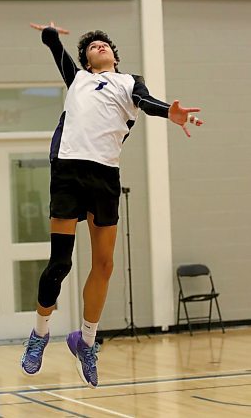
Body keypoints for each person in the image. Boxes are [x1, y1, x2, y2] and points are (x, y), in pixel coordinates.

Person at [21, 21, 203, 388]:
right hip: (69, 170)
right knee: (61, 262)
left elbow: (148, 104)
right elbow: (53, 48)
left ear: (115, 56)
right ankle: (40, 333)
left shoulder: (129, 82)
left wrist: (172, 112)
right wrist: (51, 35)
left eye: (105, 44)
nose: (100, 45)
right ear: (86, 60)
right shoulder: (78, 80)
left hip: (105, 175)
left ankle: (85, 341)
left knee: (104, 264)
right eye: (93, 45)